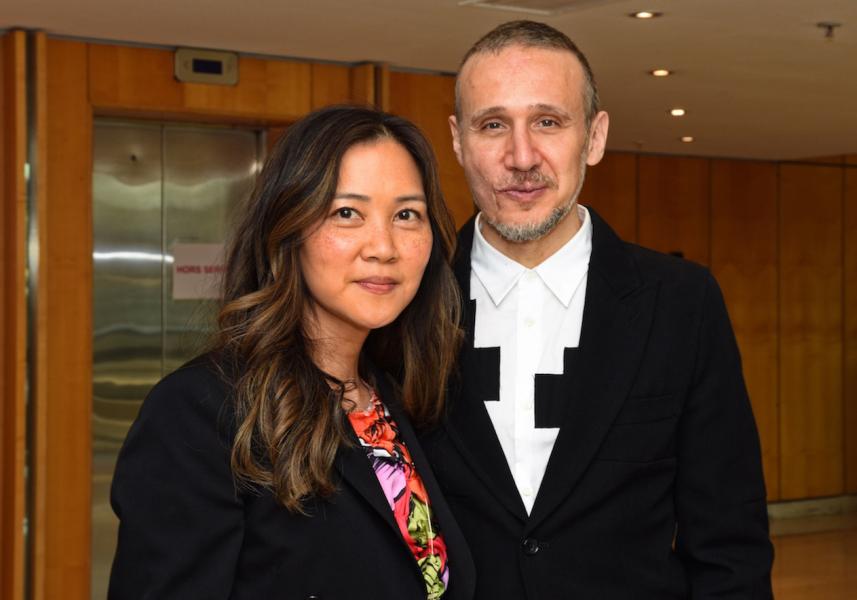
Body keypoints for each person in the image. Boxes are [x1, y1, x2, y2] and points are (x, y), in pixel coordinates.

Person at [419, 20, 774, 599]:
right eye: (493, 125)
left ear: (595, 136)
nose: (521, 157)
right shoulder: (408, 305)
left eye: (548, 122)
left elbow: (730, 546)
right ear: (459, 141)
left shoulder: (681, 304)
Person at [108, 106, 475, 600]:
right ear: (289, 227)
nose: (384, 247)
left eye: (406, 215)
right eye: (347, 213)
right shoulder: (201, 412)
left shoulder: (396, 398)